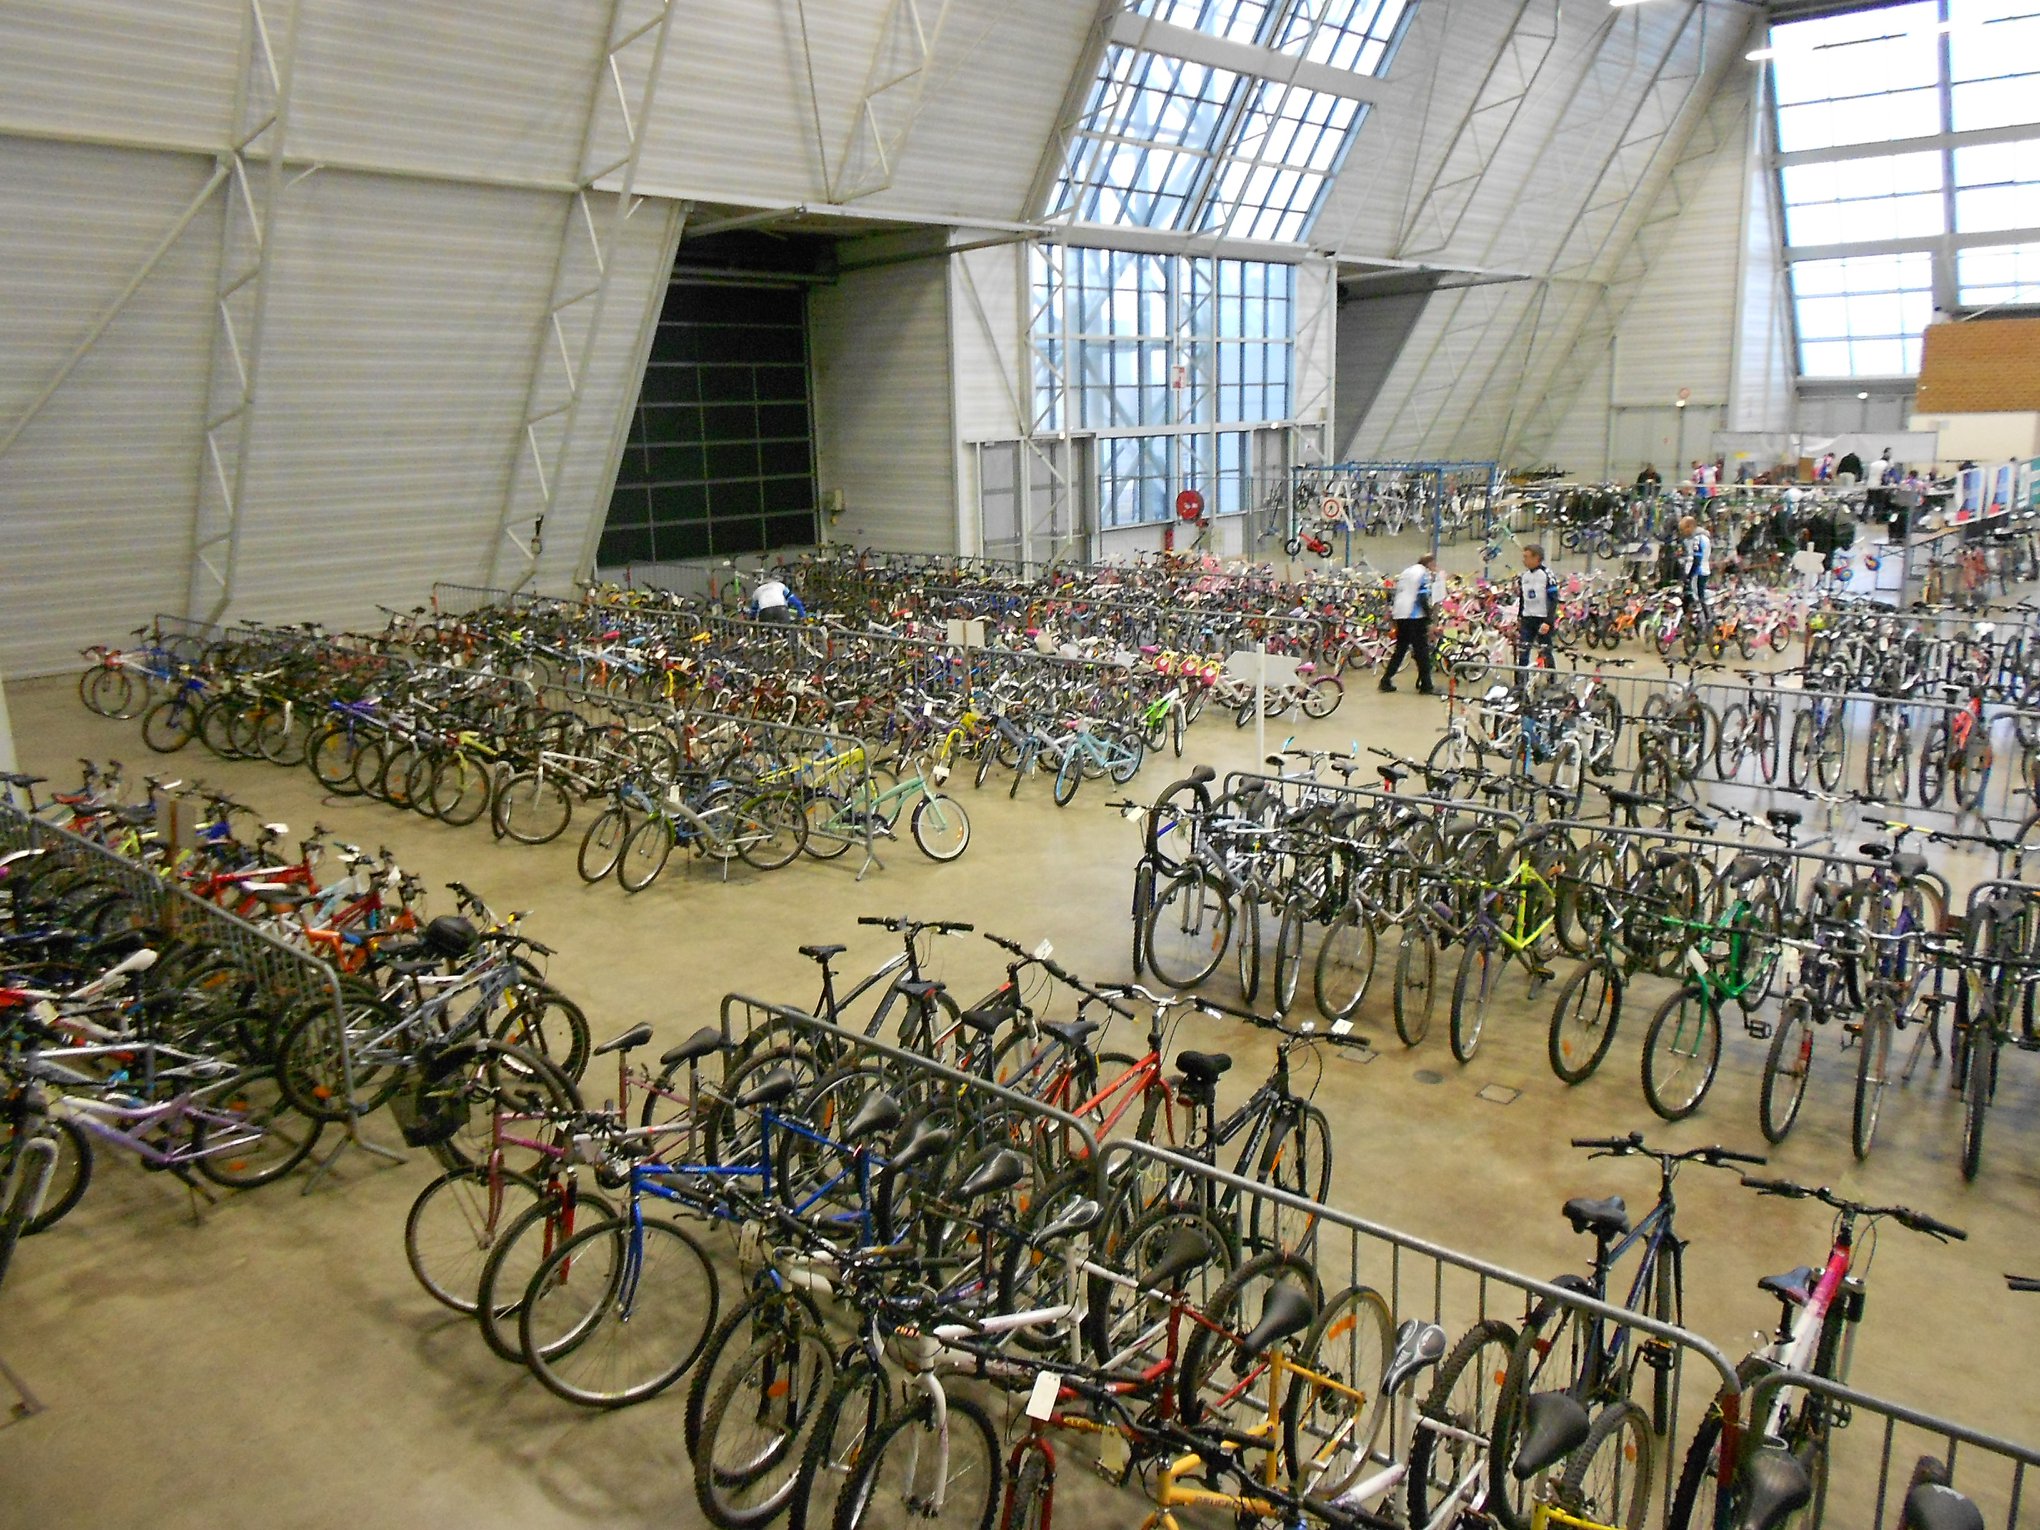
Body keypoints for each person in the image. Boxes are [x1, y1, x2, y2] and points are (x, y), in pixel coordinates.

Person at [1380, 553, 1437, 695]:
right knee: (1421, 650)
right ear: (1429, 563)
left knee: (1400, 649)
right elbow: (1422, 596)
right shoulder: (1423, 573)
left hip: (1400, 614)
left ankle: (1386, 680)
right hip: (1415, 615)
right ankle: (1426, 685)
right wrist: (1429, 617)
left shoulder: (1407, 571)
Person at [1514, 543, 1559, 672]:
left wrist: (1548, 622)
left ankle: (1551, 681)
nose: (1524, 560)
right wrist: (1519, 617)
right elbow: (1523, 598)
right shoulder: (1524, 576)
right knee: (1523, 653)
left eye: (1526, 557)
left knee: (1546, 651)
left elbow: (1553, 599)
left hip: (1542, 619)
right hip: (1528, 618)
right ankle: (1520, 684)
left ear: (1536, 558)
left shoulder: (1547, 574)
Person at [1679, 514, 1713, 624]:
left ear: (1690, 527)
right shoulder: (1702, 537)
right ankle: (1706, 620)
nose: (1682, 532)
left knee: (1696, 597)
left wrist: (1690, 576)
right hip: (1702, 570)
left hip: (1698, 572)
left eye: (1683, 529)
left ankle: (1704, 622)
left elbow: (1697, 559)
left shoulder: (1698, 539)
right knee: (1698, 596)